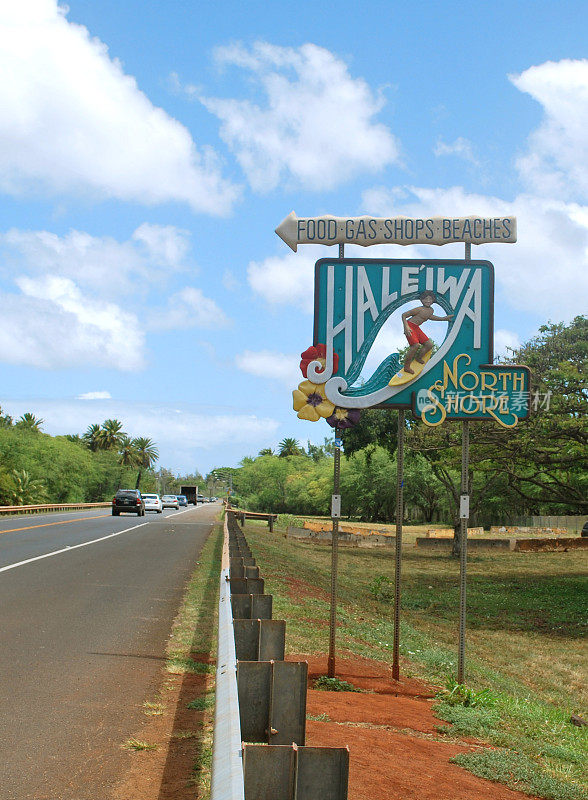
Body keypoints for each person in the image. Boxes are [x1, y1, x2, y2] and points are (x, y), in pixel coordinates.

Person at [401, 290, 452, 373]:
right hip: (410, 326)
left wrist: (443, 318)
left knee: (429, 344)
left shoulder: (431, 310)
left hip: (416, 328)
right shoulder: (419, 309)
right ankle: (406, 367)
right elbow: (404, 315)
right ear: (421, 300)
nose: (428, 301)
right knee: (415, 345)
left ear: (433, 300)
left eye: (430, 299)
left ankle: (418, 357)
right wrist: (406, 327)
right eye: (425, 299)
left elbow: (430, 317)